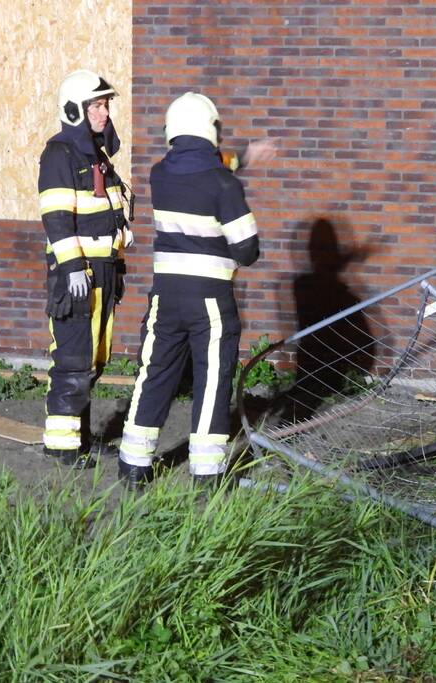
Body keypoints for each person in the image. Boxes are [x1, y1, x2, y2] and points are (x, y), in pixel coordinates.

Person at [116, 92, 264, 490]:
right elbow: (247, 250)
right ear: (210, 129)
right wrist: (237, 169)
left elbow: (195, 164)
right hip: (210, 298)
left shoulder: (159, 174)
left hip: (165, 295)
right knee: (213, 378)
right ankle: (206, 471)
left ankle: (133, 463)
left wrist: (239, 159)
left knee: (155, 372)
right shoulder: (224, 184)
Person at [39, 69, 133, 468]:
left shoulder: (97, 155)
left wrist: (120, 245)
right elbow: (56, 217)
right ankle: (62, 447)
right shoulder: (59, 154)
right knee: (74, 358)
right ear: (74, 110)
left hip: (103, 271)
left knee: (94, 358)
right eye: (96, 105)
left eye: (106, 104)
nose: (104, 112)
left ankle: (81, 439)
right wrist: (74, 266)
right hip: (78, 276)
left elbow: (106, 208)